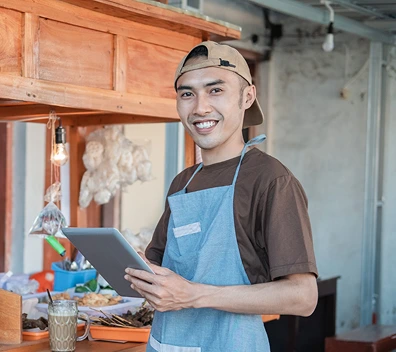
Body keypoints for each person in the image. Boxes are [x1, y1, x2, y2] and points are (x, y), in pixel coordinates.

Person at [124, 41, 318, 352]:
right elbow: (159, 270)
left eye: (215, 90)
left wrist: (194, 295)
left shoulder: (271, 180)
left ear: (247, 97)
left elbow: (303, 296)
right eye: (187, 94)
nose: (199, 107)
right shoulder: (183, 183)